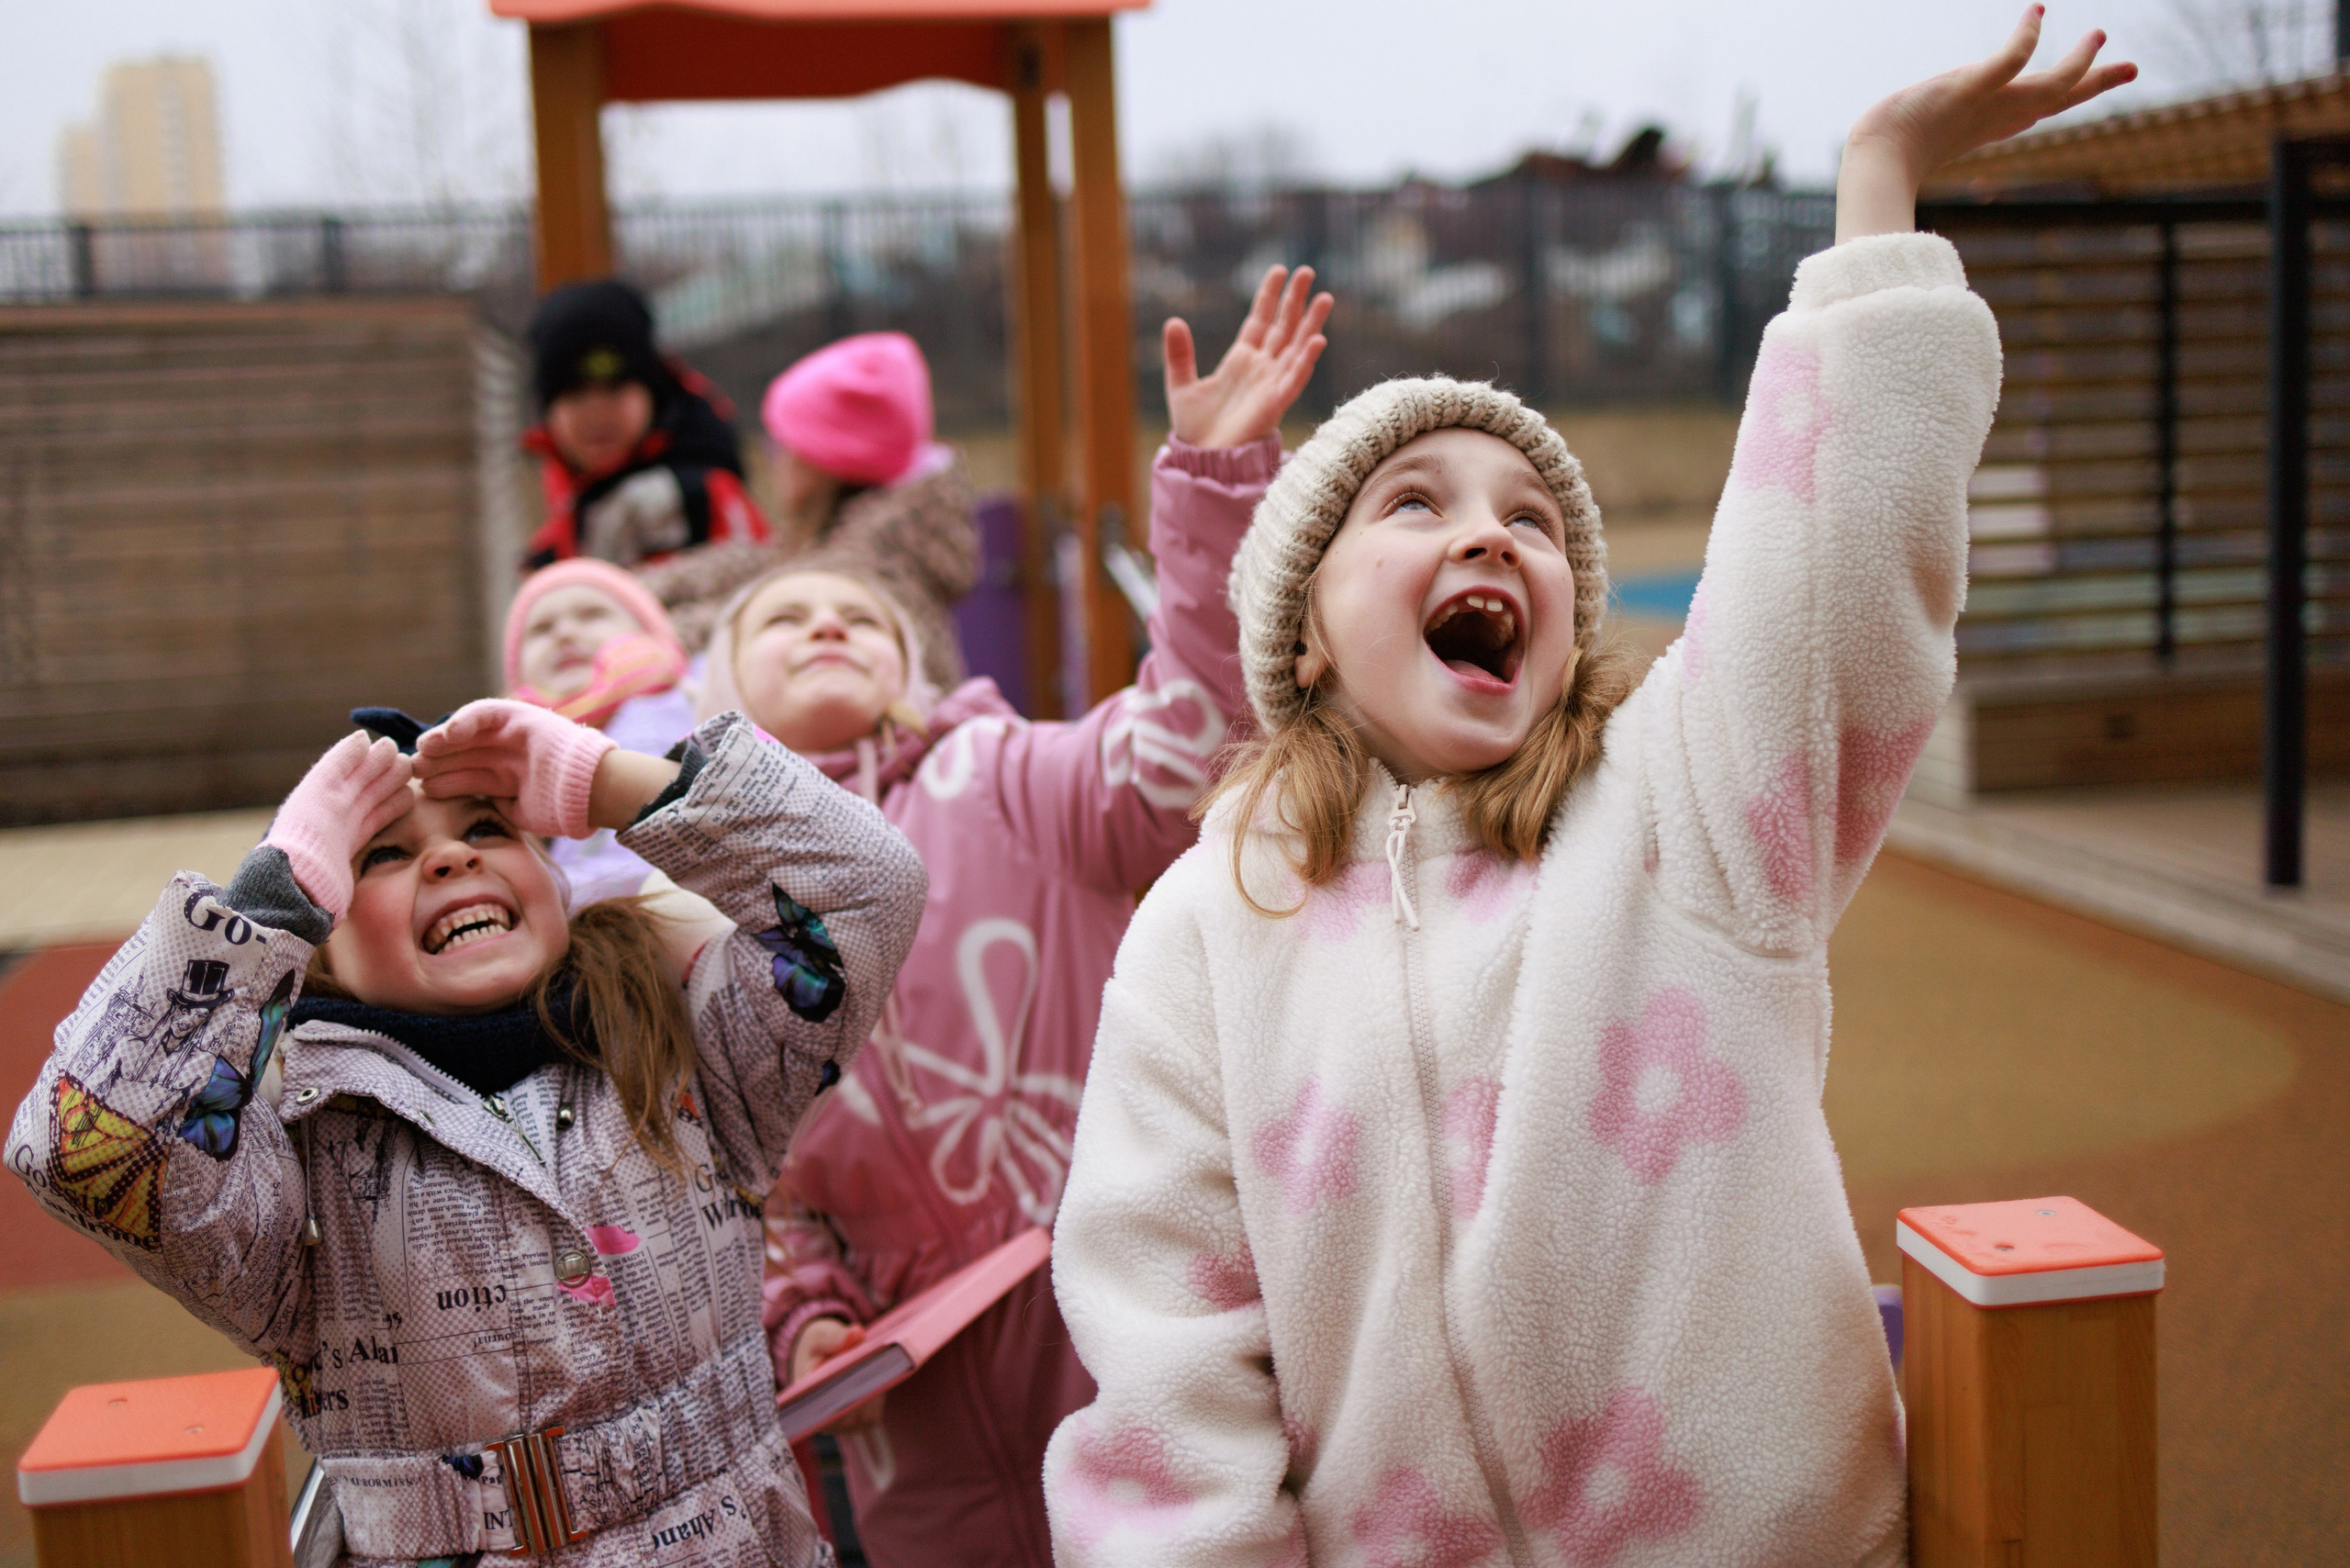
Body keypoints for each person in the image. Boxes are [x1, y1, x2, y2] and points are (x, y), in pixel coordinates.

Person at [1042, 16, 2132, 1566]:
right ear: (1304, 623)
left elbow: (1828, 576)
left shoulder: (1687, 808)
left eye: (1535, 520)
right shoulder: (1213, 919)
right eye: (1414, 503)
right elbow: (1167, 1341)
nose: (1493, 536)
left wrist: (1877, 195)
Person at [7, 699, 927, 1566]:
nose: (450, 860)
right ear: (321, 946)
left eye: (486, 829)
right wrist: (272, 897)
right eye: (381, 855)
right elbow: (83, 1148)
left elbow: (868, 890)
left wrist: (604, 778)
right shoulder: (286, 1152)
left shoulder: (686, 1046)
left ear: (558, 880)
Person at [728, 268, 1333, 1568]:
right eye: (785, 616)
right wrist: (806, 1316)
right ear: (722, 705)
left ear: (911, 669)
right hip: (913, 1388)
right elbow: (751, 1183)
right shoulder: (712, 912)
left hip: (1119, 1297)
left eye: (861, 616)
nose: (828, 614)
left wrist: (1218, 485)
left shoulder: (1007, 779)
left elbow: (1190, 737)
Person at [637, 331, 979, 678]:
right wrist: (628, 590)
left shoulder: (860, 581)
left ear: (821, 461)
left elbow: (741, 621)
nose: (773, 460)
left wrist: (616, 635)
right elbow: (756, 564)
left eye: (779, 442)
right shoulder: (872, 541)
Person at [521, 277, 771, 570]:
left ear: (653, 393)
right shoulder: (570, 500)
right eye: (575, 394)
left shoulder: (698, 498)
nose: (597, 412)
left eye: (615, 389)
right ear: (549, 410)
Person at [504, 557, 702, 903]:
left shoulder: (700, 693)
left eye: (592, 614)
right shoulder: (505, 766)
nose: (564, 633)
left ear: (649, 633)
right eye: (541, 629)